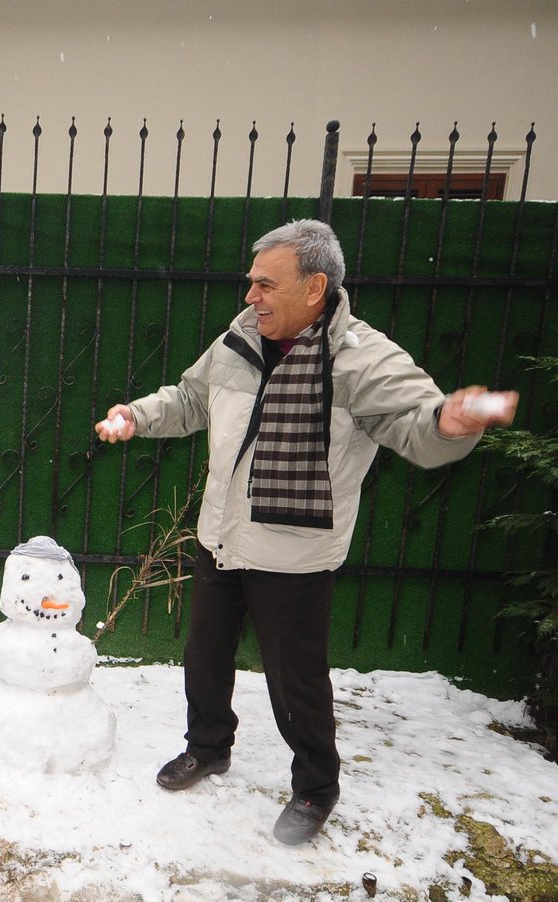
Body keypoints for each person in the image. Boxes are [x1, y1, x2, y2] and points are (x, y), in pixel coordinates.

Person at [95, 219, 517, 845]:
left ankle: (316, 789)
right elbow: (191, 399)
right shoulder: (240, 339)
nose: (250, 296)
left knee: (298, 683)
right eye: (250, 282)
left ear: (314, 286)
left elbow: (414, 422)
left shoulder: (361, 358)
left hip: (294, 555)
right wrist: (137, 415)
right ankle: (207, 747)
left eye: (265, 284)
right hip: (222, 536)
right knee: (204, 656)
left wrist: (449, 423)